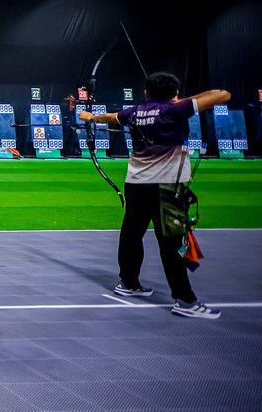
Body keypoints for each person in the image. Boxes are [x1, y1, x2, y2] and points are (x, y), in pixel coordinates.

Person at [79, 72, 230, 319]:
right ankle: (185, 300)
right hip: (168, 187)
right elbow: (223, 95)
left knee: (131, 234)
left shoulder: (135, 112)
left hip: (136, 184)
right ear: (174, 94)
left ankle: (128, 283)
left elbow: (111, 117)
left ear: (146, 92)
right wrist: (181, 101)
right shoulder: (176, 110)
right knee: (172, 244)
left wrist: (91, 117)